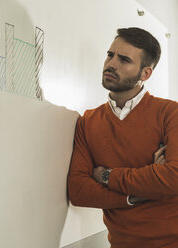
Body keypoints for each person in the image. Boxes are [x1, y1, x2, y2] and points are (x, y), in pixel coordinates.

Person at [68, 27, 178, 248]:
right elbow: (79, 191)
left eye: (124, 60)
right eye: (110, 55)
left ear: (145, 73)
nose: (111, 64)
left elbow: (173, 177)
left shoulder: (170, 113)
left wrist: (107, 176)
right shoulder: (88, 121)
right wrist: (135, 195)